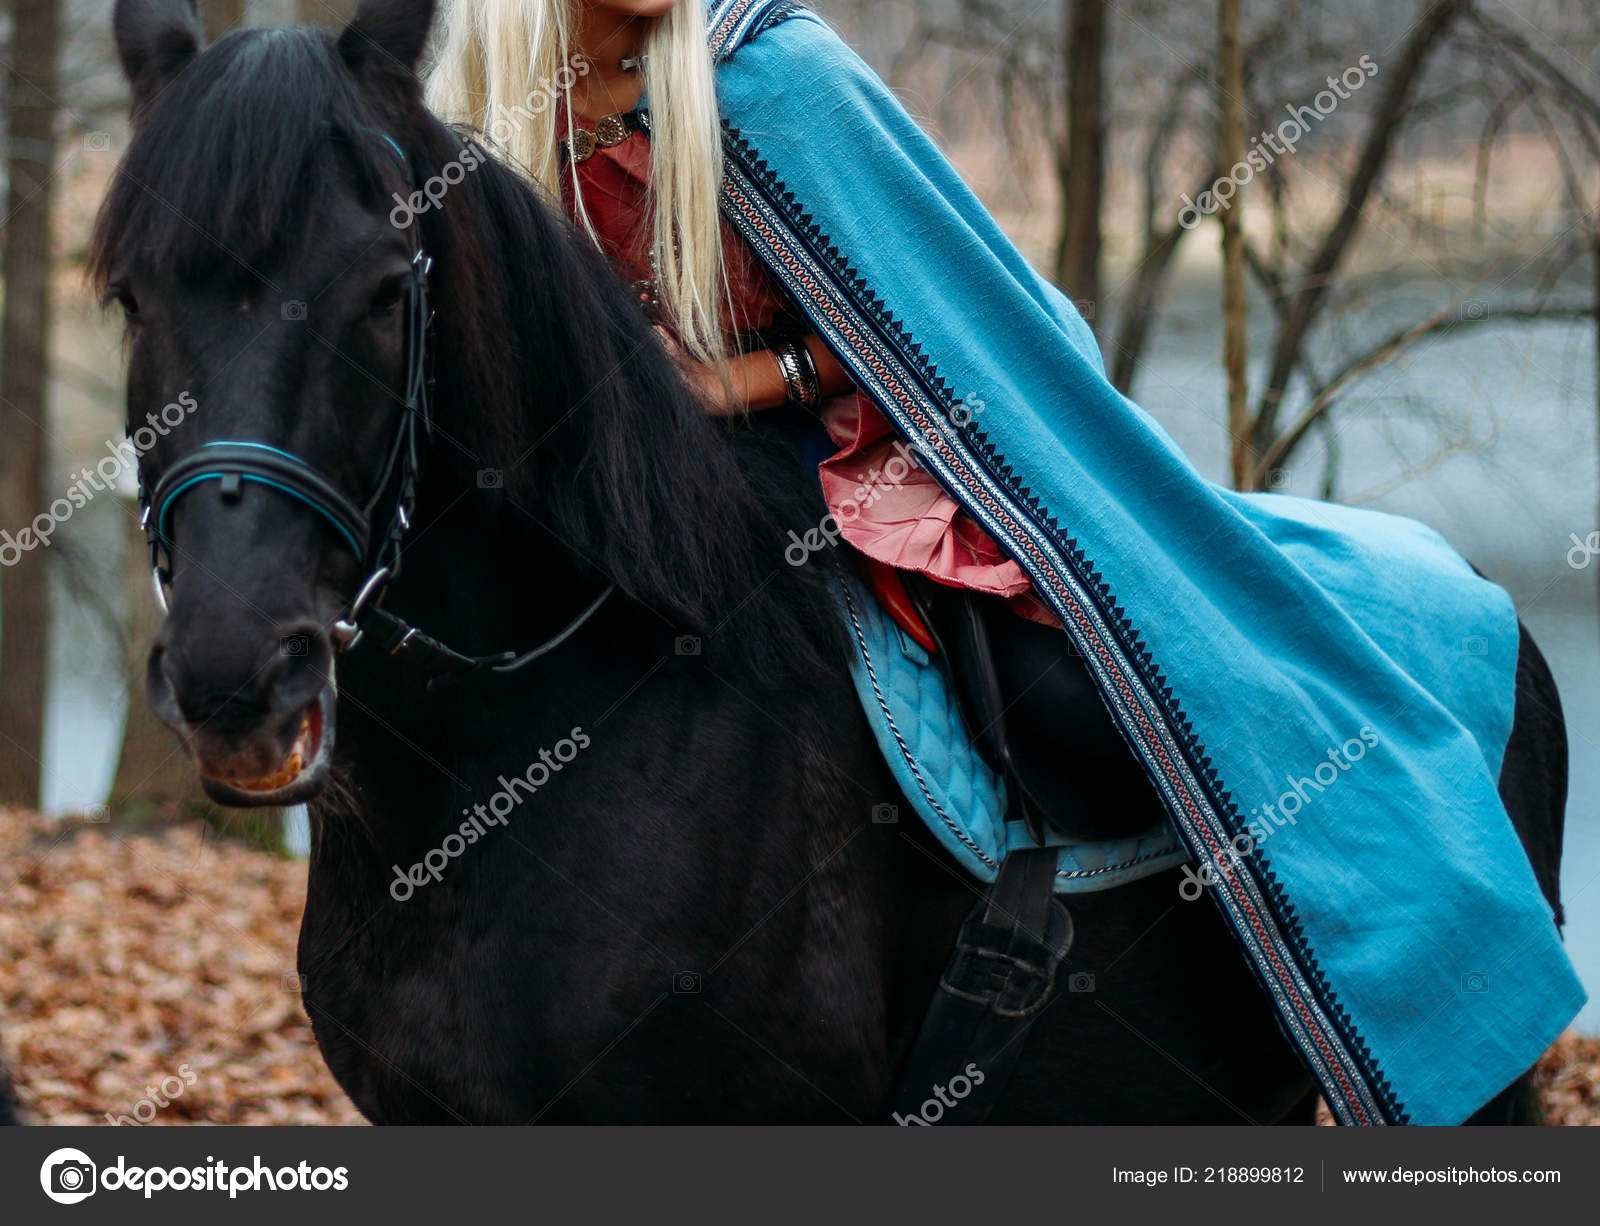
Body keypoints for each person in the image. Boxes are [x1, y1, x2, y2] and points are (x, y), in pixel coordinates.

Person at [425, 0, 1586, 1125]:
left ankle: (1132, 973)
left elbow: (973, 313)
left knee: (1068, 700)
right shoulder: (481, 124)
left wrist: (737, 382)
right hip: (670, 516)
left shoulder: (770, 75)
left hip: (898, 458)